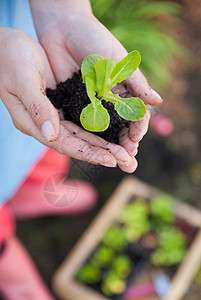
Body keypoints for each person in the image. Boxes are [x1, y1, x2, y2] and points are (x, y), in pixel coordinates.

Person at [0, 0, 162, 299]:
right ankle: (7, 263)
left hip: (27, 44)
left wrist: (67, 13)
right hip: (7, 55)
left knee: (40, 139)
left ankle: (28, 192)